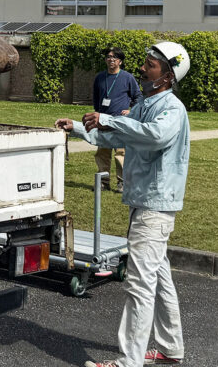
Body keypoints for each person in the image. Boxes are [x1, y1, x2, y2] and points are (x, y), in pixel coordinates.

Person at [56, 41, 191, 367]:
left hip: (154, 208)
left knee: (140, 284)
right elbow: (118, 137)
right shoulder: (146, 104)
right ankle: (170, 348)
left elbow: (154, 135)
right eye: (144, 63)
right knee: (159, 278)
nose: (143, 69)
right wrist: (77, 127)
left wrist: (110, 120)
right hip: (144, 202)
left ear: (168, 76)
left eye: (151, 65)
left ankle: (129, 361)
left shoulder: (172, 109)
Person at [92, 47, 142, 193]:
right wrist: (98, 113)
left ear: (120, 61)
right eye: (108, 57)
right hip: (103, 121)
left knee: (121, 153)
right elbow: (96, 98)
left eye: (114, 58)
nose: (111, 60)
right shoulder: (100, 77)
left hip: (121, 122)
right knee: (102, 152)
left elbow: (138, 97)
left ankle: (122, 182)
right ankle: (103, 182)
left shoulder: (127, 78)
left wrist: (131, 110)